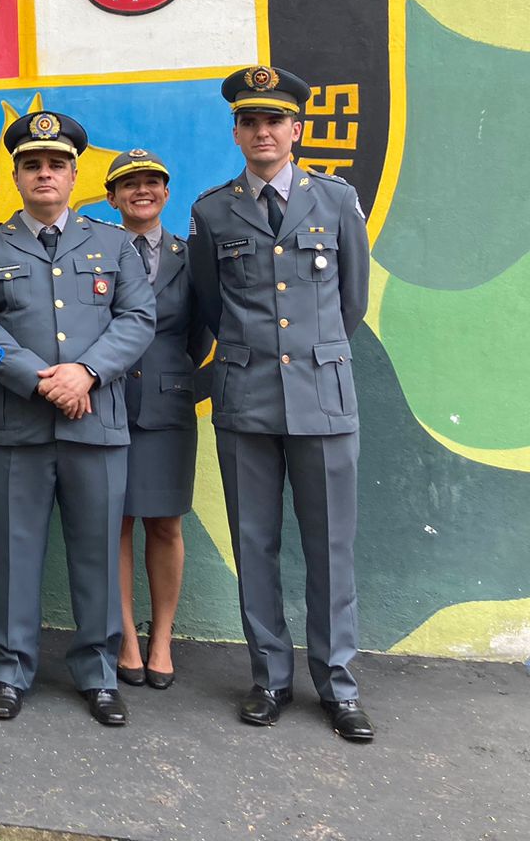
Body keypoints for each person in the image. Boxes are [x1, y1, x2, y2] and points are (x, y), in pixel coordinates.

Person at [187, 65, 374, 742]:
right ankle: (268, 676)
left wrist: (313, 356)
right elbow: (209, 302)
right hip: (247, 399)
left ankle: (338, 684)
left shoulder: (335, 201)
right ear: (236, 132)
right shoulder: (213, 211)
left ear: (296, 129)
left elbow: (350, 300)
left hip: (322, 398)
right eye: (249, 121)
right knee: (255, 545)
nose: (263, 132)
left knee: (331, 550)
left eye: (275, 121)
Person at [0, 111, 155, 726]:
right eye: (33, 165)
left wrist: (86, 373)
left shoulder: (114, 243)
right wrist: (44, 380)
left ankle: (97, 673)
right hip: (19, 428)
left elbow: (138, 319)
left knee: (96, 552)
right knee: (15, 554)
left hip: (96, 426)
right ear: (16, 176)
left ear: (73, 176)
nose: (45, 173)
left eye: (56, 164)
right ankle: (12, 671)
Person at [101, 149, 210, 690]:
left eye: (151, 183)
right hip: (110, 400)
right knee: (114, 524)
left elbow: (200, 335)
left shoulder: (190, 257)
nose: (141, 191)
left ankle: (161, 638)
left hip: (167, 404)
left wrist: (169, 373)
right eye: (129, 185)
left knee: (165, 524)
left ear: (166, 194)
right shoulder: (96, 253)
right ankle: (125, 638)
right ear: (111, 198)